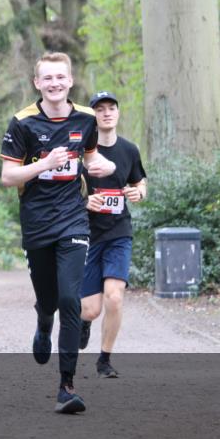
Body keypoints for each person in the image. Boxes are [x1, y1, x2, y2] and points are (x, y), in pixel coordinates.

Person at [0, 52, 116, 413]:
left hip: (73, 220)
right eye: (47, 78)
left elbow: (92, 157)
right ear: (37, 83)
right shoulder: (22, 123)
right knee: (49, 299)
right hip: (36, 222)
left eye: (60, 77)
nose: (54, 84)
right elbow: (8, 177)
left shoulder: (85, 118)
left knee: (70, 299)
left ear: (70, 80)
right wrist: (44, 164)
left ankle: (66, 386)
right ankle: (42, 320)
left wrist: (104, 166)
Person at [78, 91, 147, 378]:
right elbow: (64, 192)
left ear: (117, 113)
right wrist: (85, 202)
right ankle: (84, 323)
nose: (106, 113)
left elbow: (140, 182)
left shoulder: (129, 150)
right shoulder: (81, 152)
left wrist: (138, 192)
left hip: (119, 233)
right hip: (86, 235)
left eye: (111, 108)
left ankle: (104, 359)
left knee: (115, 297)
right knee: (91, 310)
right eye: (100, 109)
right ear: (93, 115)